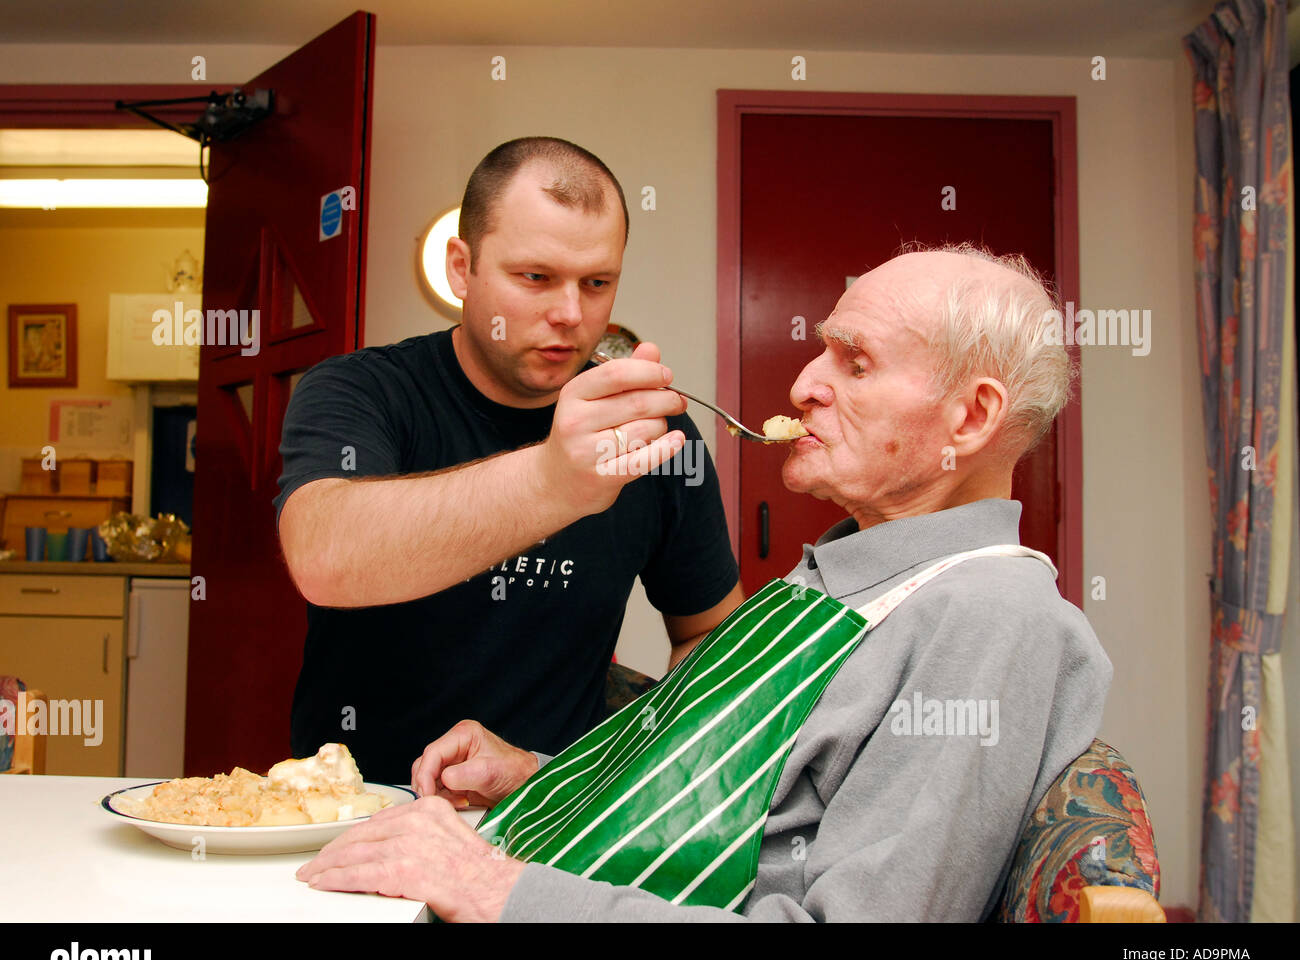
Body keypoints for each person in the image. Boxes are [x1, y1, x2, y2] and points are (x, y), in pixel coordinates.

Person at [296, 245, 1113, 922]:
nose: (803, 385)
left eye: (854, 363)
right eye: (823, 348)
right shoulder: (843, 574)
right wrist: (541, 777)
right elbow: (731, 801)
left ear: (969, 419)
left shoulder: (989, 619)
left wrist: (490, 887)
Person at [275, 137, 744, 785]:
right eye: (536, 278)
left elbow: (711, 640)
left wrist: (629, 776)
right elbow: (325, 558)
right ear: (461, 268)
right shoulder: (361, 393)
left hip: (552, 816)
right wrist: (553, 481)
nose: (570, 315)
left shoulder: (650, 431)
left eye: (597, 283)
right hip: (357, 811)